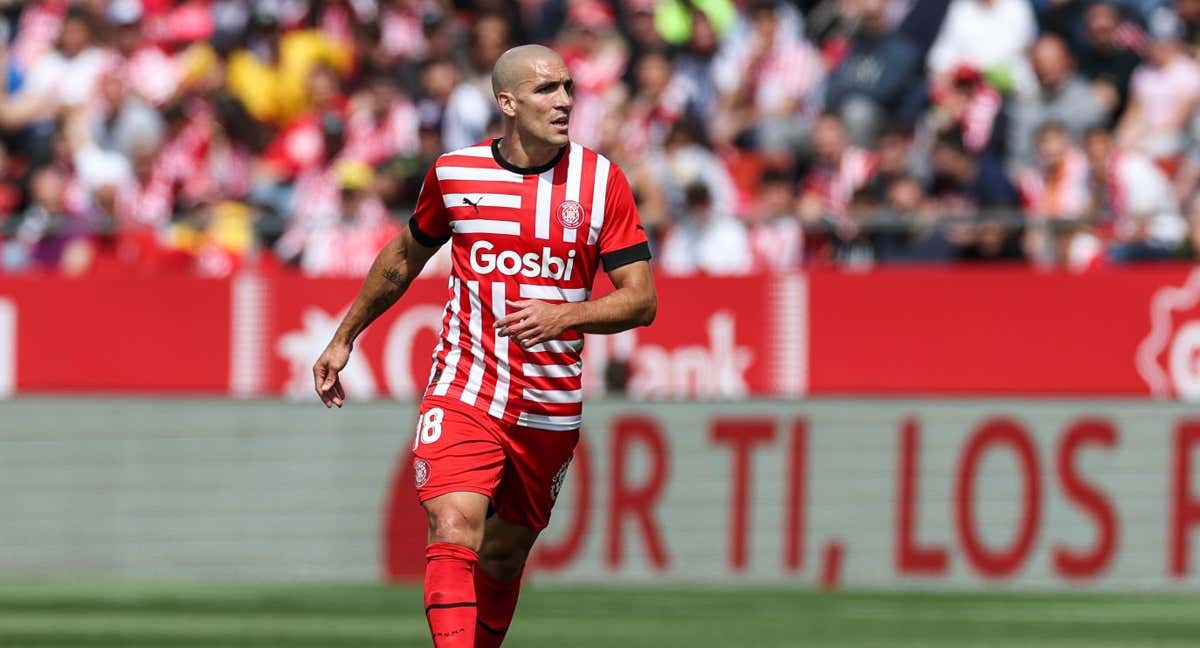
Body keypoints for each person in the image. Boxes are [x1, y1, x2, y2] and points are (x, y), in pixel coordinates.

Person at [311, 44, 656, 647]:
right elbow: (402, 259)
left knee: (503, 558)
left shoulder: (603, 182)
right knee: (453, 521)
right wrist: (345, 337)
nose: (565, 101)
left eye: (568, 87)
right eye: (547, 90)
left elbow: (641, 300)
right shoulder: (454, 174)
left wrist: (566, 315)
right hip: (465, 385)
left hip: (549, 404)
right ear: (507, 102)